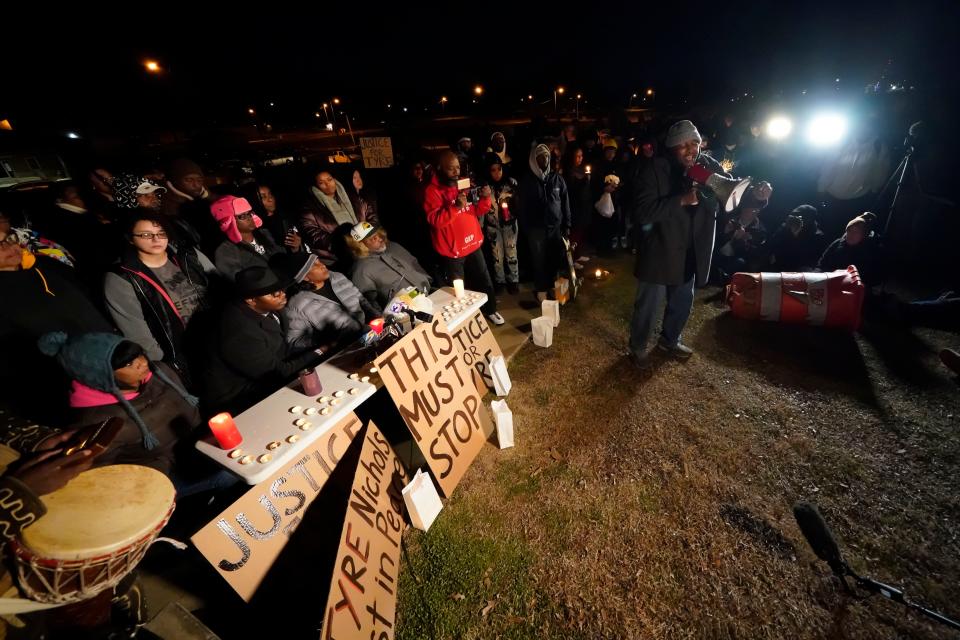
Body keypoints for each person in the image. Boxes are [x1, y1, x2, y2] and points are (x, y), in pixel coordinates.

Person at [628, 120, 729, 366]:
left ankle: (670, 340)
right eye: (682, 145)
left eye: (694, 143)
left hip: (689, 251)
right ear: (671, 148)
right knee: (648, 307)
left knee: (682, 302)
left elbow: (730, 193)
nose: (690, 150)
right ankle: (638, 347)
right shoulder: (655, 169)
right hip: (660, 250)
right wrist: (681, 200)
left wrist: (757, 198)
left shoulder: (707, 166)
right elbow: (642, 212)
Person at [38, 332, 192, 479]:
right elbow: (105, 471)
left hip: (198, 442)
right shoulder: (97, 420)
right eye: (129, 363)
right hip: (165, 473)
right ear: (102, 374)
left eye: (139, 355)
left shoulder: (160, 372)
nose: (143, 363)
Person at [104, 212, 218, 384]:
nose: (156, 239)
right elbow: (137, 333)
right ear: (130, 238)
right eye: (145, 235)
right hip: (184, 356)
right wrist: (167, 366)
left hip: (222, 337)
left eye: (161, 233)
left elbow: (222, 288)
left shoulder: (188, 256)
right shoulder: (122, 278)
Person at [203, 265, 324, 414]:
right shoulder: (238, 331)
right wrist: (320, 351)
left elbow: (282, 350)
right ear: (251, 300)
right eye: (274, 293)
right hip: (241, 399)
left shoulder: (271, 307)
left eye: (281, 289)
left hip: (269, 375)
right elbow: (276, 373)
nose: (282, 295)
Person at [422, 151, 504, 324]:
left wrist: (485, 198)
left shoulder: (463, 183)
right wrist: (454, 207)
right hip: (453, 251)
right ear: (440, 169)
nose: (455, 172)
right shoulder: (432, 191)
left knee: (484, 279)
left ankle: (490, 310)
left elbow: (477, 210)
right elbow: (434, 220)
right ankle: (462, 321)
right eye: (450, 169)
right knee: (457, 289)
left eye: (457, 167)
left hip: (473, 243)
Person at [281, 252, 381, 351]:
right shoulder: (297, 304)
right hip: (348, 349)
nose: (322, 265)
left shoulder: (337, 276)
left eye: (319, 261)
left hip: (372, 332)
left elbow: (361, 300)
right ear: (305, 277)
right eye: (315, 265)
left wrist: (377, 317)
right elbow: (294, 340)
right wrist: (326, 341)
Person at [517, 144, 572, 302]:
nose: (545, 159)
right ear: (534, 160)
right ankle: (541, 290)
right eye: (541, 156)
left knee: (554, 258)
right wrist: (527, 228)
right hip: (536, 230)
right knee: (539, 260)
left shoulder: (556, 179)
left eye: (547, 156)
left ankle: (554, 287)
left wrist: (567, 225)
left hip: (555, 228)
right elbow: (522, 208)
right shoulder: (527, 181)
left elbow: (565, 203)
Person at [301, 170, 378, 268]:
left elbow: (370, 213)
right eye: (321, 183)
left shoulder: (351, 196)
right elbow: (312, 233)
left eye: (330, 179)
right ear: (315, 186)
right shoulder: (311, 207)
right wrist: (344, 243)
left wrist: (369, 234)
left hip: (367, 246)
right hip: (338, 257)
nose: (328, 184)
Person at [345, 222, 432, 307]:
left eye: (379, 234)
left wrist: (428, 281)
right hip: (407, 309)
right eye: (373, 238)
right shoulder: (361, 269)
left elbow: (414, 262)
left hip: (429, 292)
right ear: (361, 244)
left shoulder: (393, 247)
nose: (380, 238)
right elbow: (370, 301)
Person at [211, 195, 283, 280]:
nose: (249, 218)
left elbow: (281, 256)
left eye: (249, 213)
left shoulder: (264, 233)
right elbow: (238, 281)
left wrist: (294, 248)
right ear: (228, 221)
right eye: (242, 216)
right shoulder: (225, 251)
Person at [712, 185, 772, 281]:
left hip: (734, 259)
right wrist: (725, 233)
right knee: (712, 258)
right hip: (719, 254)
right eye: (747, 207)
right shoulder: (731, 219)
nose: (748, 211)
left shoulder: (759, 230)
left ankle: (723, 277)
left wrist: (740, 241)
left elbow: (752, 255)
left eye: (754, 209)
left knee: (739, 262)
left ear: (757, 212)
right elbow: (715, 242)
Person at [479, 157, 520, 293]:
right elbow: (482, 209)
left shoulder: (511, 184)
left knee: (511, 253)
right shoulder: (485, 188)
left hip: (509, 226)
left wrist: (513, 207)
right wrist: (480, 225)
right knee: (497, 255)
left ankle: (513, 280)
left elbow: (519, 204)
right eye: (493, 170)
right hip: (493, 226)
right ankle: (500, 281)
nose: (497, 173)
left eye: (499, 169)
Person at [160, 158, 218, 253]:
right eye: (188, 180)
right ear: (175, 181)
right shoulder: (166, 206)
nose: (196, 185)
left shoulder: (213, 200)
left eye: (199, 180)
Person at [818, 212, 884, 286]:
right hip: (830, 282)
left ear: (863, 235)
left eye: (856, 232)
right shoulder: (837, 243)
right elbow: (822, 262)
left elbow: (875, 278)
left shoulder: (871, 250)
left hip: (855, 288)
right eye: (849, 230)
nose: (851, 234)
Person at [243, 182, 304, 254]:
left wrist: (297, 247)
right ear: (254, 201)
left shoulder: (285, 217)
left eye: (270, 194)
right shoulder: (256, 228)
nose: (270, 199)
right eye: (263, 197)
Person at [768, 205, 824, 271]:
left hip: (799, 272)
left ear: (809, 220)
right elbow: (772, 245)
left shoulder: (817, 236)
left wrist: (796, 235)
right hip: (779, 267)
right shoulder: (785, 227)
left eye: (799, 216)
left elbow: (807, 260)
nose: (795, 218)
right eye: (793, 215)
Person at [563, 145, 594, 262]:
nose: (580, 158)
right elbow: (572, 189)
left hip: (584, 205)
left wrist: (588, 180)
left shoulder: (582, 170)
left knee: (581, 230)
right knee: (574, 232)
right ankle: (573, 259)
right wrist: (584, 181)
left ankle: (578, 253)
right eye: (577, 156)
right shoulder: (569, 172)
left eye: (581, 156)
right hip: (574, 205)